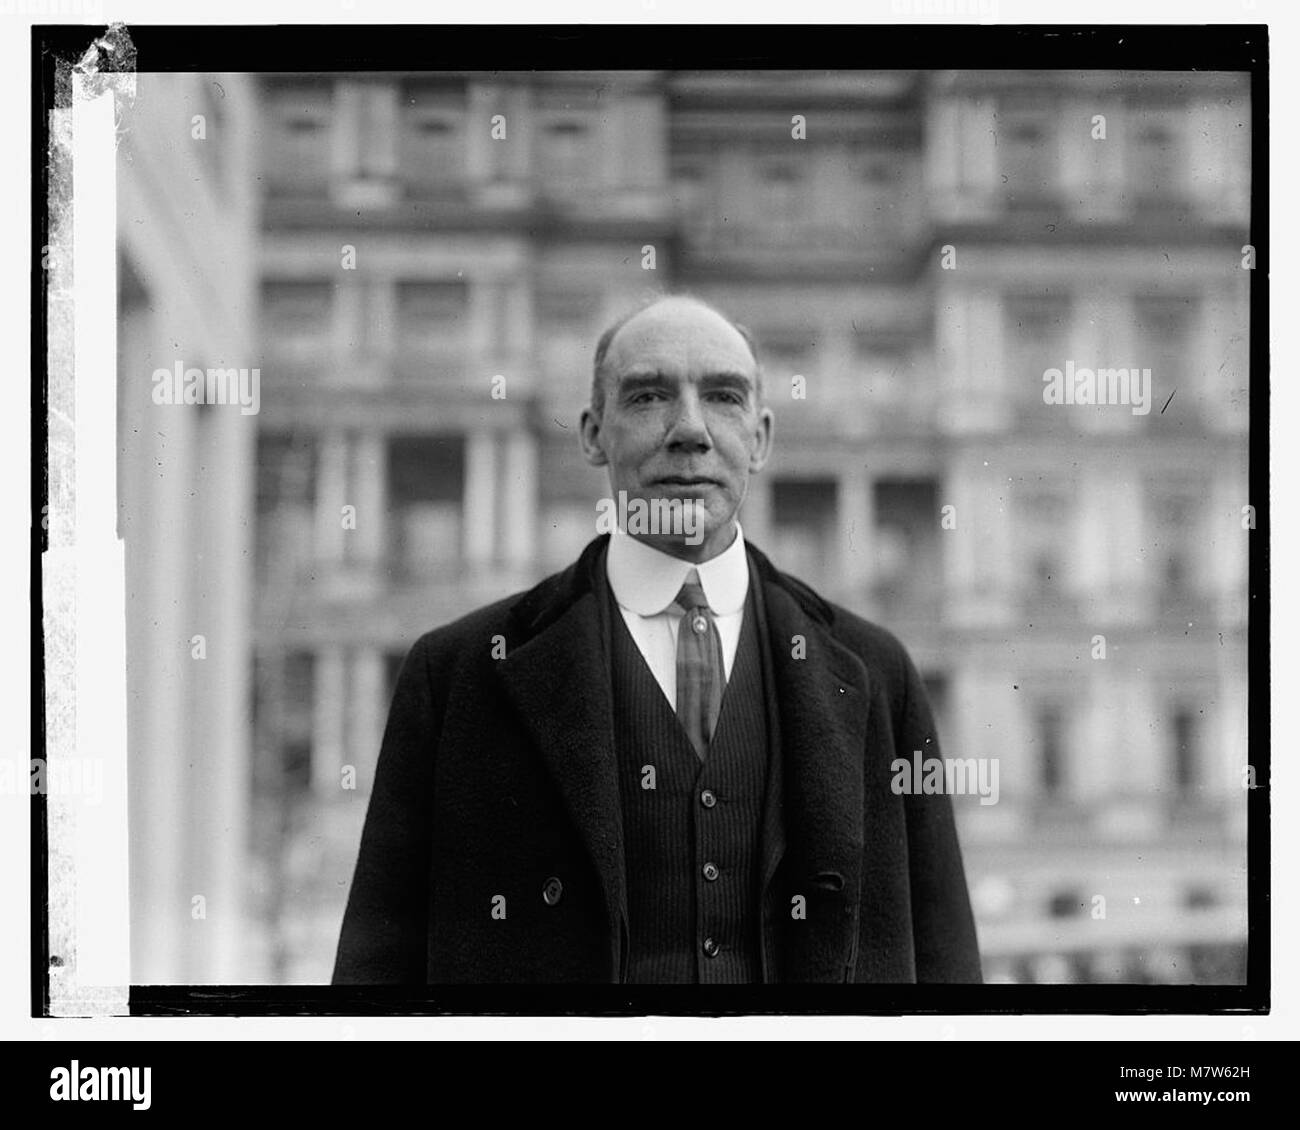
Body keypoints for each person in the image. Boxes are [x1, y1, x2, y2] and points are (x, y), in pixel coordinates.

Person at [333, 294, 982, 984]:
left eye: (724, 398)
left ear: (760, 438)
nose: (691, 431)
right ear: (592, 433)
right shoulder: (457, 675)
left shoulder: (877, 674)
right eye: (648, 397)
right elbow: (378, 974)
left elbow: (945, 967)